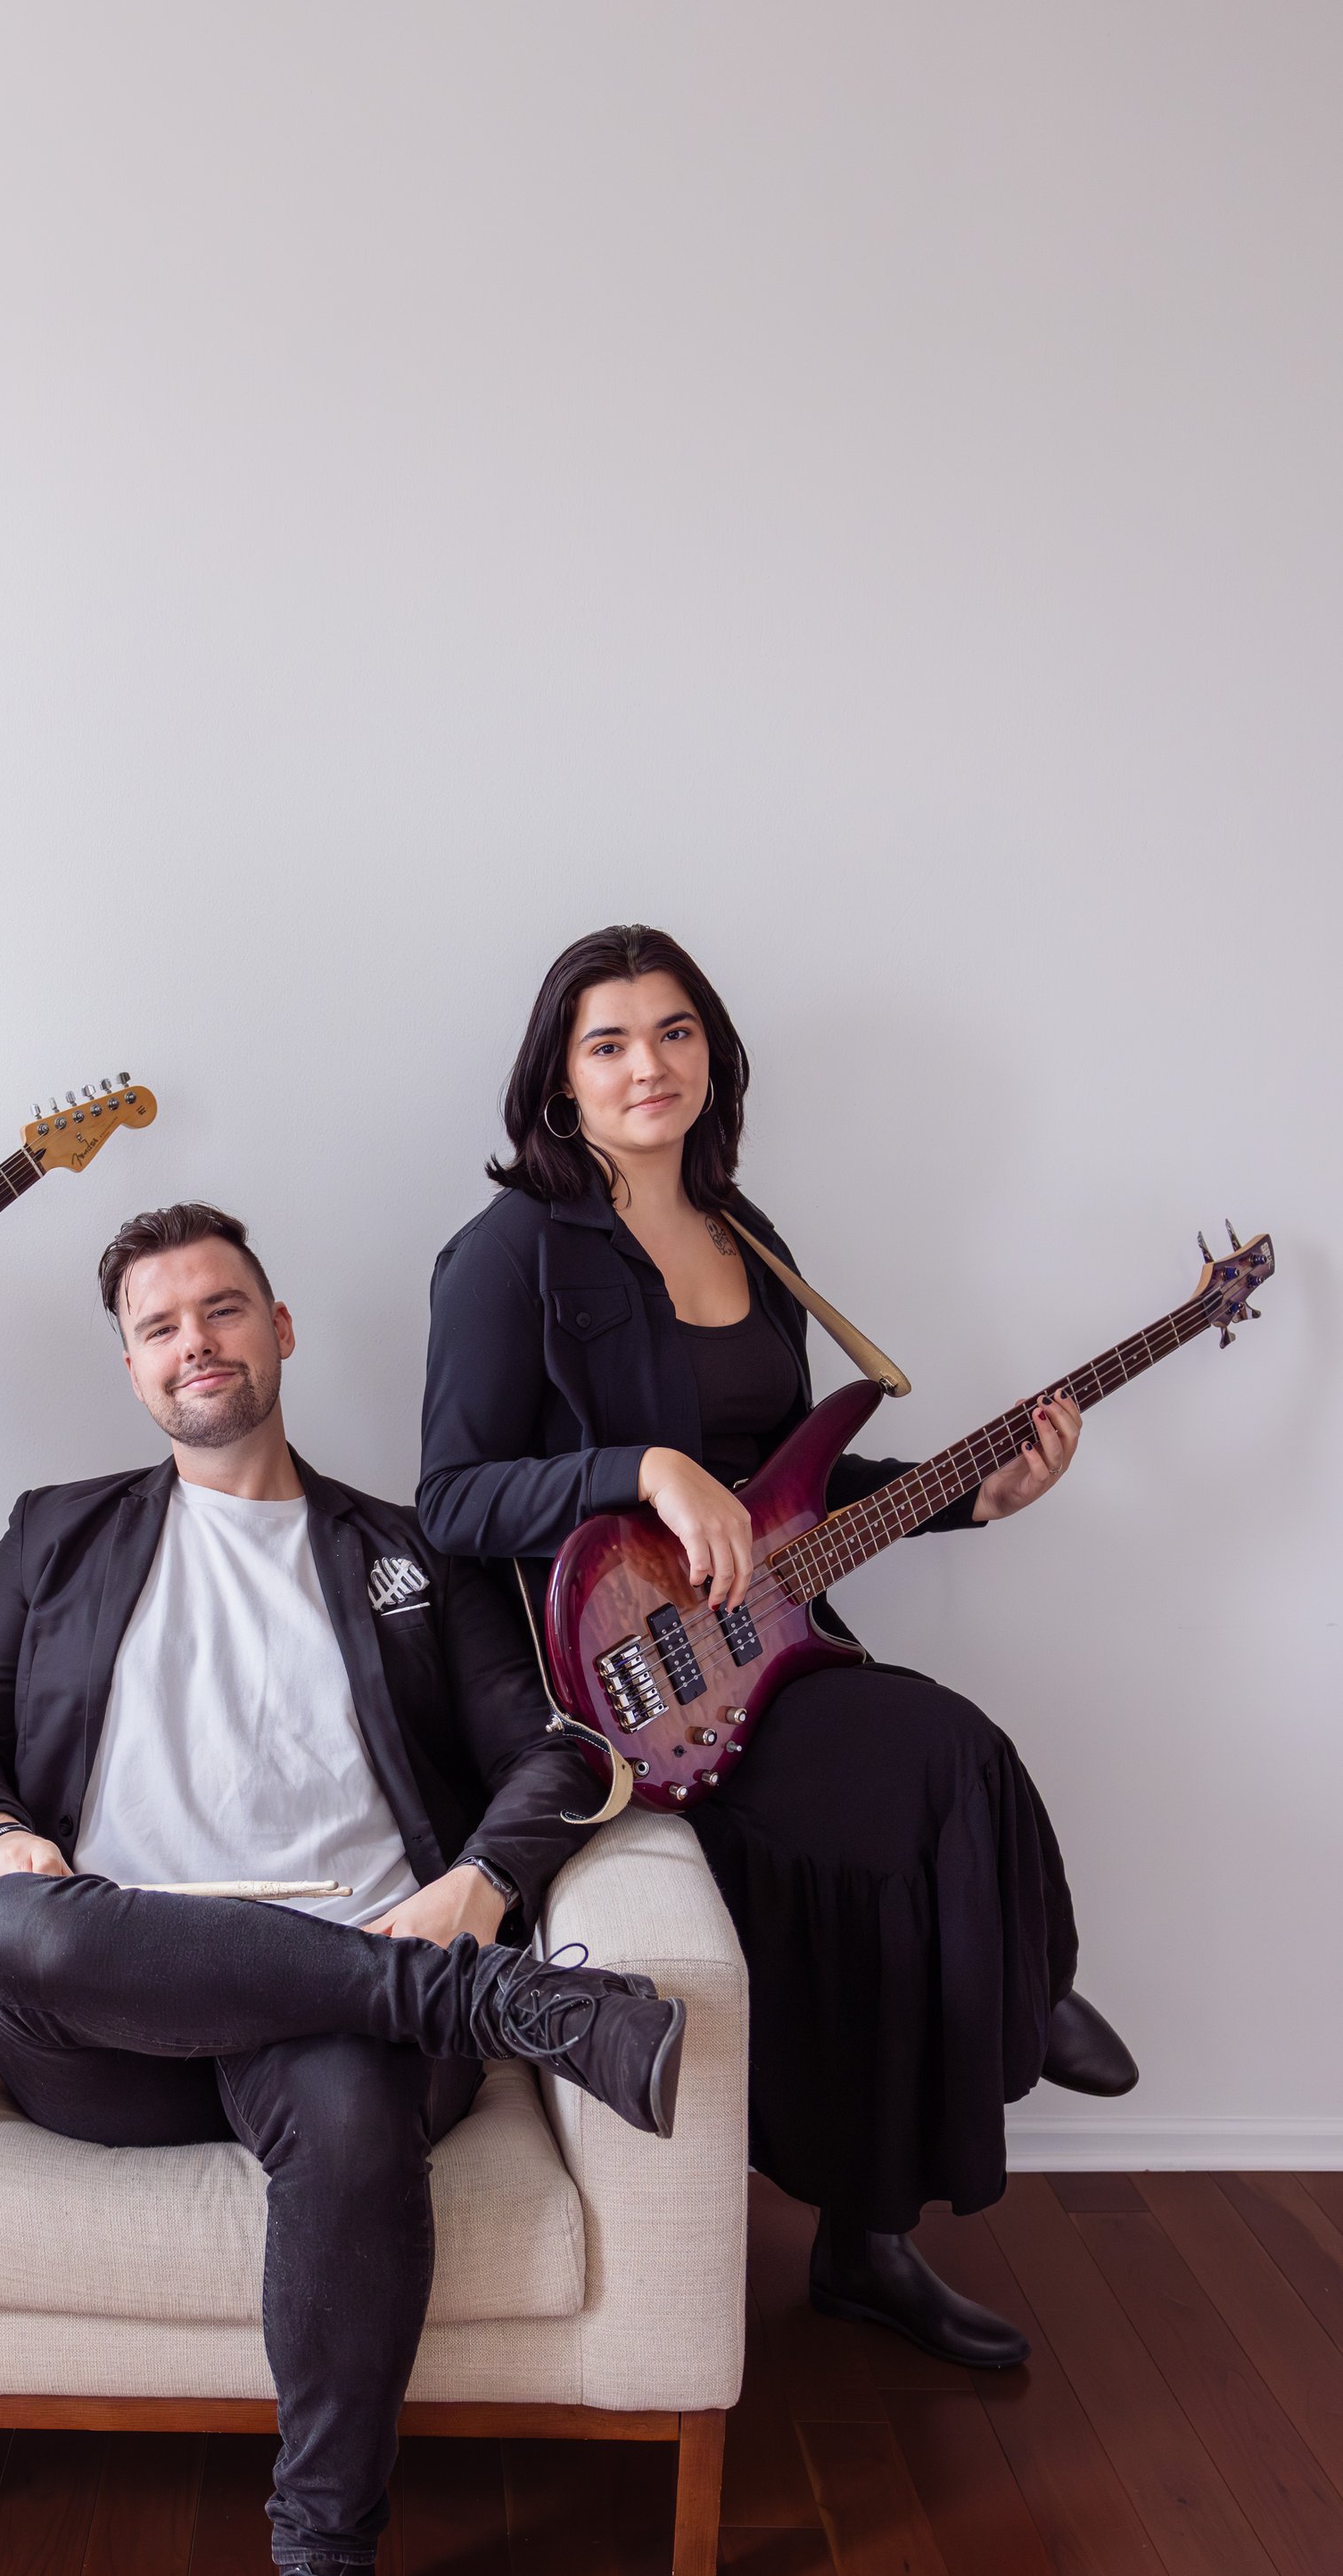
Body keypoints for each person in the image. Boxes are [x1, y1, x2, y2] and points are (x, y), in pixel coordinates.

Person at [0, 1201, 686, 2576]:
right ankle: (495, 2007)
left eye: (224, 1307)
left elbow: (552, 1748)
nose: (199, 1341)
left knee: (338, 2094)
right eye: (162, 1324)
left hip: (342, 2007)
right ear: (129, 1367)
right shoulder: (56, 1531)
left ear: (281, 1326)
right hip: (114, 2013)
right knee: (10, 1939)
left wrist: (479, 1879)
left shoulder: (408, 1553)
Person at [419, 924, 1137, 2377]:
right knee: (943, 1751)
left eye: (675, 1032)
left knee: (917, 1805)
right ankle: (1028, 1985)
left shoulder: (757, 1240)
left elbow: (787, 1502)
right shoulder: (507, 1255)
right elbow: (451, 1496)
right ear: (559, 1077)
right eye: (608, 1040)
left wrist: (970, 1496)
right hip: (623, 1678)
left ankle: (873, 2243)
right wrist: (640, 1468)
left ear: (713, 1056)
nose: (647, 1064)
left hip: (767, 1644)